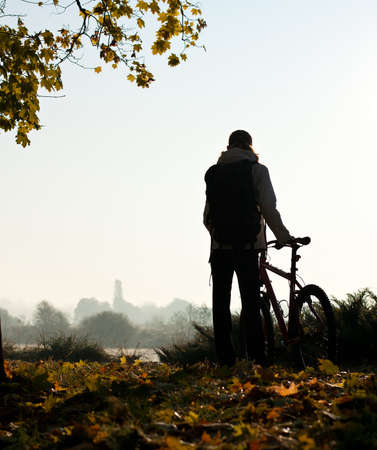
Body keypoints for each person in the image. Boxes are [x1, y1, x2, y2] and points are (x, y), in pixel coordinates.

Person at [204, 130, 293, 367]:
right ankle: (257, 358)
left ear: (228, 147)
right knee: (250, 303)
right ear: (250, 147)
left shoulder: (214, 173)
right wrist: (283, 236)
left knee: (220, 305)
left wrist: (220, 236)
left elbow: (207, 217)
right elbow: (268, 208)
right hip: (248, 247)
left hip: (220, 248)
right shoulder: (258, 170)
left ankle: (225, 360)